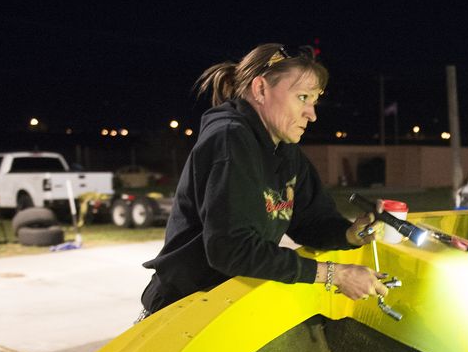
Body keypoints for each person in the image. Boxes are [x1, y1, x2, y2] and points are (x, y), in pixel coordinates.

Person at [139, 43, 388, 317]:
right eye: (303, 97)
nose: (312, 114)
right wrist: (335, 274)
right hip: (183, 306)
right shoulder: (229, 139)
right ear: (260, 90)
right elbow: (231, 249)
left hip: (225, 303)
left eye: (315, 100)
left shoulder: (285, 149)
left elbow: (311, 222)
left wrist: (350, 233)